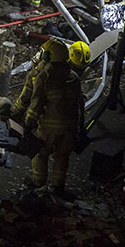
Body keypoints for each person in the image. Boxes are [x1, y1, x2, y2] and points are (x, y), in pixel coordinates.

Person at [25, 40, 84, 195]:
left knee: (41, 154)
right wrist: (80, 127)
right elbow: (80, 104)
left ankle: (38, 185)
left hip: (49, 128)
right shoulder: (74, 77)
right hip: (70, 128)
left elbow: (36, 103)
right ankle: (57, 187)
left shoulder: (44, 76)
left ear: (48, 56)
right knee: (62, 157)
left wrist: (28, 124)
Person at [11, 38, 61, 121]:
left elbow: (28, 101)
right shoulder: (70, 77)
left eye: (41, 52)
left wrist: (16, 114)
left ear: (46, 57)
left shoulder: (40, 75)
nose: (37, 55)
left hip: (43, 127)